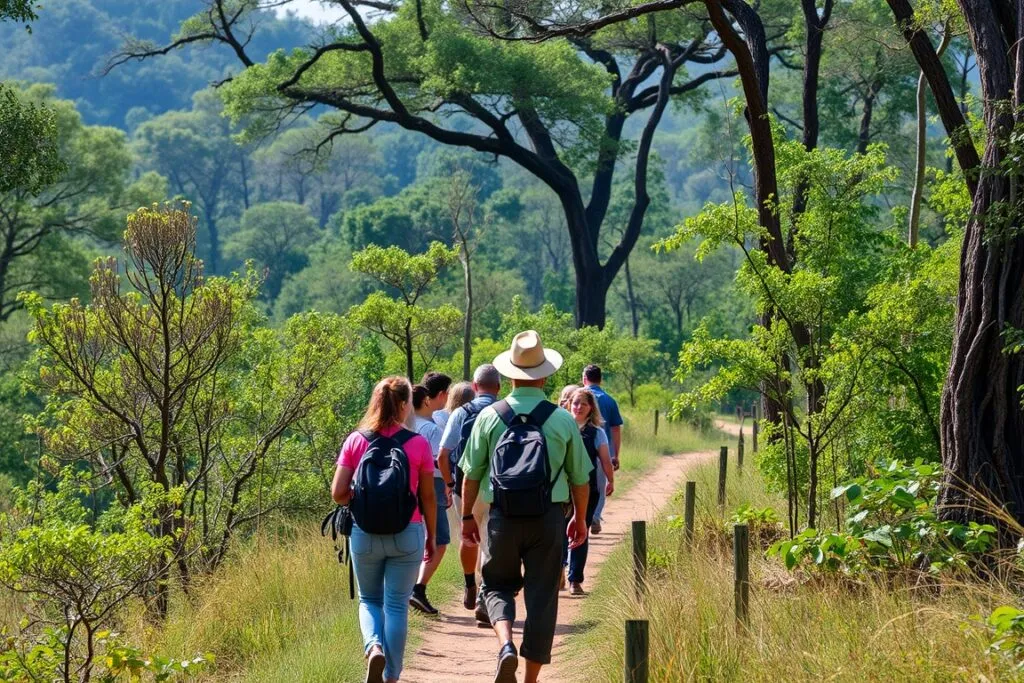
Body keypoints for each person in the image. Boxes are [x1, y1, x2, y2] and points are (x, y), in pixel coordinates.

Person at [461, 331, 592, 683]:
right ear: (545, 375)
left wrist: (466, 517)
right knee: (543, 597)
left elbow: (471, 475)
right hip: (548, 518)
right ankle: (530, 680)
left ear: (509, 374)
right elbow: (581, 478)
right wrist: (579, 519)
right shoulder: (563, 419)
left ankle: (506, 645)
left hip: (501, 517)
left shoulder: (489, 416)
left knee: (496, 586)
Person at [331, 377, 437, 683]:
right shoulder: (418, 443)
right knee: (395, 604)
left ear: (375, 402)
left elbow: (338, 493)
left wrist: (361, 499)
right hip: (408, 533)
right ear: (405, 405)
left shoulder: (356, 441)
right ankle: (391, 676)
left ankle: (373, 646)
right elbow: (427, 497)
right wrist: (429, 537)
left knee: (369, 600)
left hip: (365, 534)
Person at [438, 364, 501, 625]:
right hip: (497, 488)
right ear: (499, 388)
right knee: (490, 542)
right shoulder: (504, 411)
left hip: (465, 486)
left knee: (469, 536)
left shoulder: (461, 412)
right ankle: (485, 598)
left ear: (474, 387)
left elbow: (443, 455)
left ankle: (469, 584)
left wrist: (450, 482)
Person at [564, 387, 615, 595]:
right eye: (575, 403)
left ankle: (575, 580)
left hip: (587, 489)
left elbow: (605, 459)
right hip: (561, 488)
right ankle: (558, 572)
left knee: (580, 531)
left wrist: (610, 480)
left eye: (583, 404)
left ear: (590, 407)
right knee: (557, 531)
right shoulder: (561, 426)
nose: (578, 407)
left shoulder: (597, 432)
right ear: (569, 404)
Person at [409, 373, 452, 615]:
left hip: (408, 488)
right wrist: (449, 483)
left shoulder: (405, 426)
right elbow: (437, 463)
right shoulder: (432, 430)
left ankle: (407, 589)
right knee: (440, 540)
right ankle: (419, 588)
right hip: (432, 487)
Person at [581, 364, 623, 534]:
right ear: (601, 379)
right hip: (601, 451)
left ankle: (580, 517)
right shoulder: (609, 400)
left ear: (584, 379)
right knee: (599, 487)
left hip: (580, 449)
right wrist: (615, 455)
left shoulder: (579, 398)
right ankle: (595, 516)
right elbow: (615, 429)